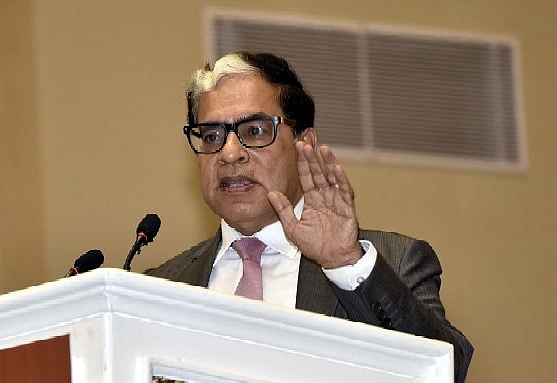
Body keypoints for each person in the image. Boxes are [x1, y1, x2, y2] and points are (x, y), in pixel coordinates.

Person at [145, 51, 473, 382]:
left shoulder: (393, 261)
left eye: (255, 131)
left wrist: (345, 262)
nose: (230, 153)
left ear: (305, 144)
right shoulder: (157, 287)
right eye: (212, 136)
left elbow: (447, 371)